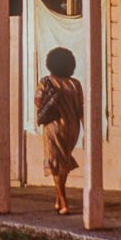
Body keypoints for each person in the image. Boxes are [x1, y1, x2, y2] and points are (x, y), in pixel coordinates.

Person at [35, 46, 84, 214]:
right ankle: (57, 200)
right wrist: (86, 130)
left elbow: (38, 102)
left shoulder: (45, 81)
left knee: (55, 163)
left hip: (54, 126)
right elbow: (80, 109)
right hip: (72, 127)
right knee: (63, 162)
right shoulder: (75, 84)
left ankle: (63, 202)